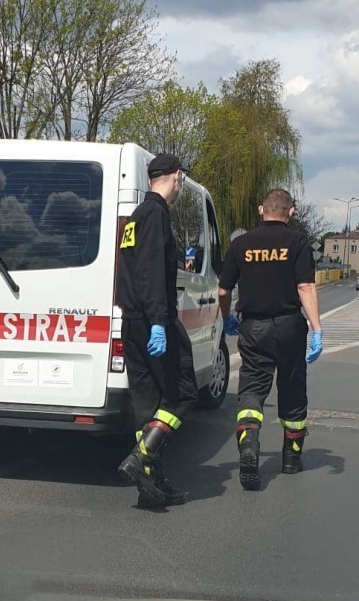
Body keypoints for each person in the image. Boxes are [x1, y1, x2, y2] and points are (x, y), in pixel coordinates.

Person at [218, 187, 322, 491]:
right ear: (290, 213)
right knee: (292, 390)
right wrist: (316, 329)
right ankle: (291, 460)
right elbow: (305, 288)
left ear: (262, 210)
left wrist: (227, 319)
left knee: (251, 391)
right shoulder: (298, 242)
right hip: (290, 328)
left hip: (254, 329)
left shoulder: (241, 244)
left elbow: (223, 291)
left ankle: (249, 445)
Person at [116, 152, 198, 507]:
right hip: (152, 321)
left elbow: (127, 273)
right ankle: (141, 457)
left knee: (148, 404)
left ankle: (151, 485)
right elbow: (149, 273)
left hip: (132, 321)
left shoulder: (135, 216)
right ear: (177, 176)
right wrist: (160, 324)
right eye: (182, 181)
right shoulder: (155, 215)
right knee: (183, 393)